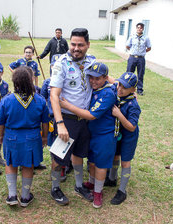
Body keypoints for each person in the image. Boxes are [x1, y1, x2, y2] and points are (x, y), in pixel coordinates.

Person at [60, 62, 117, 208]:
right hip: (91, 133)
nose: (93, 81)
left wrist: (67, 106)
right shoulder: (93, 89)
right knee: (91, 162)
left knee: (100, 165)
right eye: (91, 77)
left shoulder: (108, 93)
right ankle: (92, 183)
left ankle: (98, 192)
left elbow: (91, 115)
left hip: (104, 136)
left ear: (105, 78)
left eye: (97, 78)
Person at [49, 28, 96, 205]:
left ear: (88, 45)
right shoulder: (62, 63)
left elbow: (104, 78)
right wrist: (60, 123)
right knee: (59, 157)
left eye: (80, 45)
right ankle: (55, 188)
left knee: (79, 153)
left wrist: (124, 86)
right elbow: (55, 95)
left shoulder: (91, 61)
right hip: (67, 119)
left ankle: (78, 185)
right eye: (73, 44)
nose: (76, 48)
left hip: (84, 118)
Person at [0, 66, 49, 207]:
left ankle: (12, 195)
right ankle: (25, 197)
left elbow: (0, 122)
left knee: (10, 163)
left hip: (12, 136)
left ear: (14, 81)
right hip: (32, 137)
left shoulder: (7, 100)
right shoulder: (40, 100)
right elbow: (45, 122)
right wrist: (44, 137)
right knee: (28, 165)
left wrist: (1, 135)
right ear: (31, 81)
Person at [106, 72, 141, 205]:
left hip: (128, 136)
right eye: (119, 84)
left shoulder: (133, 106)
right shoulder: (117, 90)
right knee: (115, 156)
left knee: (125, 162)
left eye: (124, 87)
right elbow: (110, 80)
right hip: (117, 133)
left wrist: (119, 115)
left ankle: (122, 190)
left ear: (133, 90)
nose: (120, 89)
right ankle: (112, 178)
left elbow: (131, 127)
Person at [126, 22, 151, 95]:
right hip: (132, 57)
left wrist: (142, 52)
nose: (139, 29)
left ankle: (139, 89)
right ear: (136, 28)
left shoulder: (146, 38)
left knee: (140, 74)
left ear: (143, 29)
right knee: (129, 73)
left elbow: (149, 48)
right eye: (138, 28)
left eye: (141, 28)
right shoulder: (132, 37)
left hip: (141, 59)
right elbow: (127, 46)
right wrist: (133, 52)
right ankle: (127, 87)